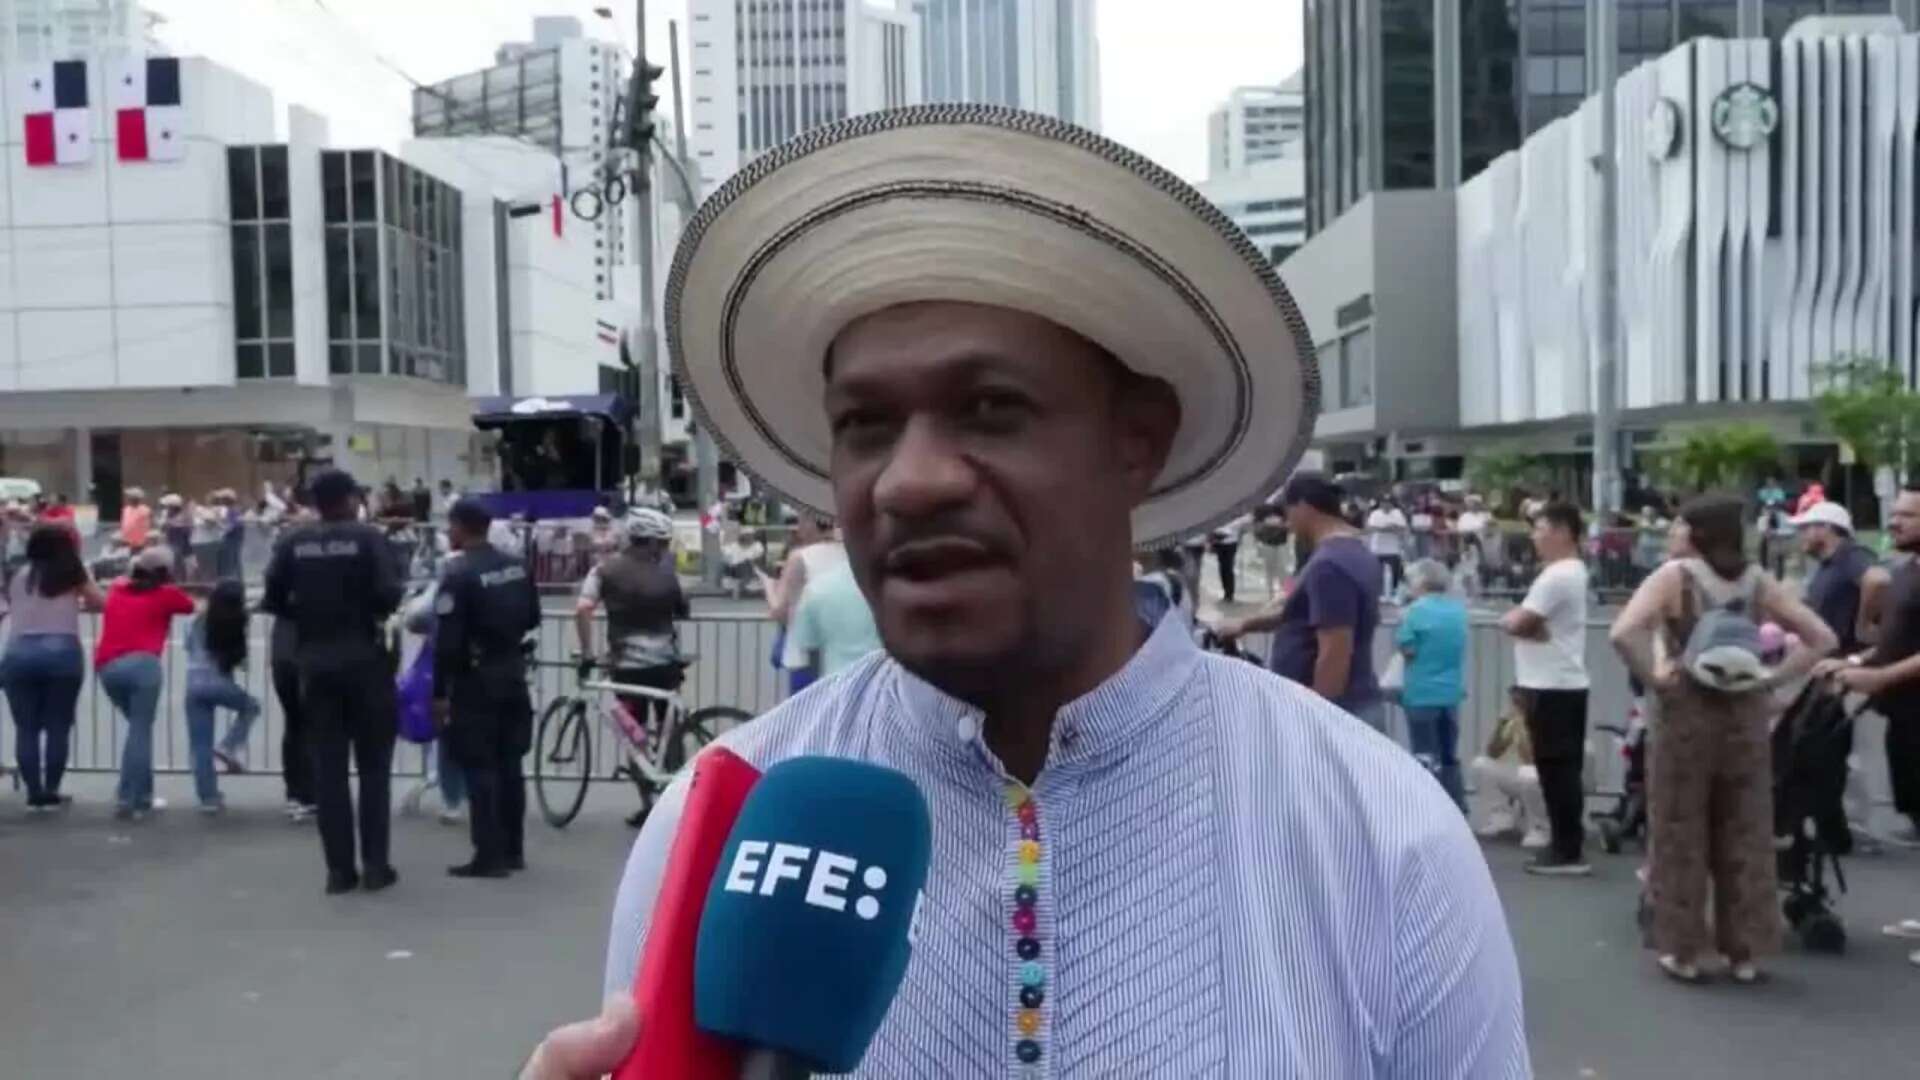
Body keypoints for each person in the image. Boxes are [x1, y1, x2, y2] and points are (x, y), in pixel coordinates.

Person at [538, 112, 1522, 1078]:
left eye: (991, 408)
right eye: (866, 424)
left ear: (1136, 441)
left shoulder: (1374, 829)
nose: (909, 481)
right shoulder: (723, 825)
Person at [1611, 494, 1835, 984]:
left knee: (1679, 831)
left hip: (1685, 714)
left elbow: (1624, 632)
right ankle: (1746, 952)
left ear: (1697, 535)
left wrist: (1655, 677)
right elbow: (1822, 638)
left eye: (1679, 527)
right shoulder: (1757, 582)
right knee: (1746, 832)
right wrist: (1771, 684)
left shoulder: (1675, 578)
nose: (1672, 535)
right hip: (1744, 716)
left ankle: (1683, 949)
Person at [262, 468, 405, 895]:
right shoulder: (368, 539)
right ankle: (376, 866)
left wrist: (310, 616)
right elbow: (390, 594)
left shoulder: (292, 541)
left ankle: (339, 871)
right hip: (365, 660)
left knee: (329, 772)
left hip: (315, 663)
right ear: (348, 498)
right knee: (374, 769)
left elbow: (273, 598)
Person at [1217, 473, 1386, 730]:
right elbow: (1301, 612)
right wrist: (1244, 624)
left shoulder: (1329, 565)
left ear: (1304, 506)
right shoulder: (1356, 552)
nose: (1287, 523)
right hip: (1357, 704)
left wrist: (1315, 720)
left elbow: (1334, 652)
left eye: (1287, 511)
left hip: (1338, 714)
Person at [433, 499, 542, 878]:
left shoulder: (459, 574)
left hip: (475, 679)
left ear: (462, 527)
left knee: (479, 766)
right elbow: (533, 616)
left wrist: (440, 694)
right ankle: (514, 849)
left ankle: (489, 855)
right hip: (512, 671)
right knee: (511, 763)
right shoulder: (516, 566)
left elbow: (447, 643)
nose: (449, 533)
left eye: (451, 526)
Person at [1817, 487, 1920, 849]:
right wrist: (1857, 661)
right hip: (1904, 717)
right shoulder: (1907, 570)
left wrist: (1879, 677)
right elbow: (1900, 639)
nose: (1894, 522)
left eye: (1907, 515)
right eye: (1894, 514)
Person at [575, 508, 688, 826]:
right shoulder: (667, 574)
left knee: (633, 736)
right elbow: (683, 609)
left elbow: (583, 610)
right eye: (662, 544)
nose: (665, 550)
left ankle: (648, 803)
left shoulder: (603, 571)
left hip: (626, 667)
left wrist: (587, 652)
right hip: (667, 664)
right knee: (671, 732)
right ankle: (674, 800)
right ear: (650, 543)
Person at [1499, 501, 1592, 876]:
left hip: (1552, 684)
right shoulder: (1568, 572)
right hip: (1556, 681)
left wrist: (1515, 621)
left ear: (1562, 532)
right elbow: (1533, 626)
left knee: (1558, 771)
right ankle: (1565, 843)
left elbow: (1521, 622)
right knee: (1558, 769)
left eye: (1540, 529)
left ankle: (1567, 851)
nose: (1534, 537)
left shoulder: (1558, 576)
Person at [0, 525, 103, 811]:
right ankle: (52, 789)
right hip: (62, 651)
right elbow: (100, 601)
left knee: (26, 728)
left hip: (19, 651)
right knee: (58, 725)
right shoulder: (71, 573)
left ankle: (33, 792)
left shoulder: (18, 573)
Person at [96, 546, 196, 821]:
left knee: (138, 731)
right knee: (140, 730)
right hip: (143, 665)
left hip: (107, 666)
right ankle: (130, 799)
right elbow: (189, 606)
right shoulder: (166, 595)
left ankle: (141, 793)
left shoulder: (117, 589)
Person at [1396, 558, 1469, 811]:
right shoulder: (1458, 611)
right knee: (1449, 754)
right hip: (1450, 693)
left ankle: (1428, 807)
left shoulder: (1414, 612)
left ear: (1420, 581)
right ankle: (1456, 804)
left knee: (1425, 753)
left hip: (1421, 691)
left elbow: (1408, 649)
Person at [183, 579, 262, 812]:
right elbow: (237, 656)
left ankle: (208, 798)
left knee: (200, 744)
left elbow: (188, 647)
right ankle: (229, 745)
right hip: (218, 680)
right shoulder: (236, 620)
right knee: (251, 706)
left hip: (193, 682)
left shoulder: (194, 620)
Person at [1470, 689, 1552, 848]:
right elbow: (1492, 752)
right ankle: (1501, 817)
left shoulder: (1545, 718)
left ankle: (1540, 828)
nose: (1514, 702)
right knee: (1481, 765)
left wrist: (1522, 727)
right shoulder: (1513, 719)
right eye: (1513, 697)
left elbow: (1532, 759)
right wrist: (1501, 726)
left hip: (1546, 778)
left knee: (1528, 774)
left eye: (1519, 698)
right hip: (1523, 777)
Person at [1795, 501, 1875, 660]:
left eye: (1805, 528)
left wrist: (1864, 624)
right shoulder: (1827, 565)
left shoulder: (1850, 554)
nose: (1801, 535)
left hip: (1850, 661)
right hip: (1827, 657)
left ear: (1826, 527)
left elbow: (1877, 580)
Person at [781, 563, 882, 679]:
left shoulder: (818, 587)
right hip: (884, 681)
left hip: (836, 679)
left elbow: (807, 643)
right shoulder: (891, 584)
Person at [1366, 498, 1410, 597]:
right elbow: (1371, 528)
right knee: (1377, 572)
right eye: (1383, 503)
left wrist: (1384, 528)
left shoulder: (1397, 513)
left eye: (1388, 503)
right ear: (1380, 504)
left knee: (1396, 572)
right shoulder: (1375, 514)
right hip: (1378, 548)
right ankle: (1379, 593)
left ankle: (1395, 592)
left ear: (1391, 504)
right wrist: (1390, 528)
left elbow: (1402, 527)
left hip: (1393, 548)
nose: (1386, 505)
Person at [1208, 513, 1249, 605]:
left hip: (1231, 542)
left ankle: (1229, 593)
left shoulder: (1235, 516)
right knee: (1222, 567)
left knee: (1228, 567)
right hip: (1219, 542)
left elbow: (1243, 523)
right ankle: (1226, 592)